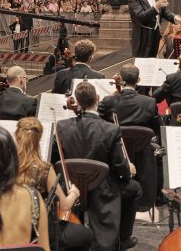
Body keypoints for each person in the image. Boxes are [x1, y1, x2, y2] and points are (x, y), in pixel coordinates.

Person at [53, 82, 139, 251]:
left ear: (77, 101)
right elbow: (119, 166)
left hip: (71, 187)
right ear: (98, 99)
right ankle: (122, 238)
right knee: (135, 188)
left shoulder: (62, 126)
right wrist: (128, 171)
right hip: (103, 189)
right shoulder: (111, 129)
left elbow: (57, 161)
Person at [14, 117, 92, 251]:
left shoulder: (7, 165)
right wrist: (74, 192)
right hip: (40, 231)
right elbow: (65, 205)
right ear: (39, 140)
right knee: (86, 235)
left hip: (13, 226)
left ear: (17, 137)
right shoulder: (44, 169)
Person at [98, 65, 160, 137]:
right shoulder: (150, 102)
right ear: (138, 80)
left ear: (120, 79)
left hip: (116, 145)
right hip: (142, 146)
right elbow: (158, 128)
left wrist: (112, 96)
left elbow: (95, 119)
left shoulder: (108, 101)